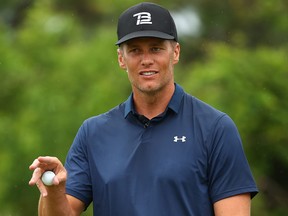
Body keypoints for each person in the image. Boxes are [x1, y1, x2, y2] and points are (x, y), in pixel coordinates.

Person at [29, 2, 258, 216]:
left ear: (175, 52)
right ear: (121, 59)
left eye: (156, 49)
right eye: (136, 51)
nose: (146, 60)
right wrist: (56, 189)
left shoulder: (215, 128)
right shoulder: (93, 133)